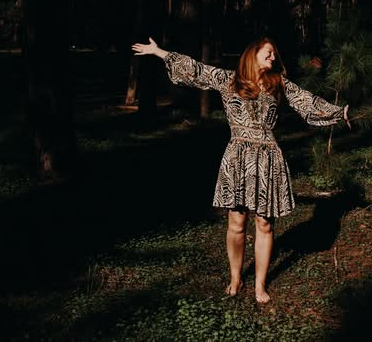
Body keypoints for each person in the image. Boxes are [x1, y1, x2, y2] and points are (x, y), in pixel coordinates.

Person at [131, 36, 350, 303]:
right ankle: (235, 278)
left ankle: (260, 285)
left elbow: (307, 101)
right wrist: (159, 52)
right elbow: (197, 70)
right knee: (236, 223)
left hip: (268, 157)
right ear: (252, 54)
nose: (273, 58)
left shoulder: (279, 83)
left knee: (265, 223)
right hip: (238, 156)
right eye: (268, 53)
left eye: (274, 54)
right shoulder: (229, 80)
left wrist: (339, 112)